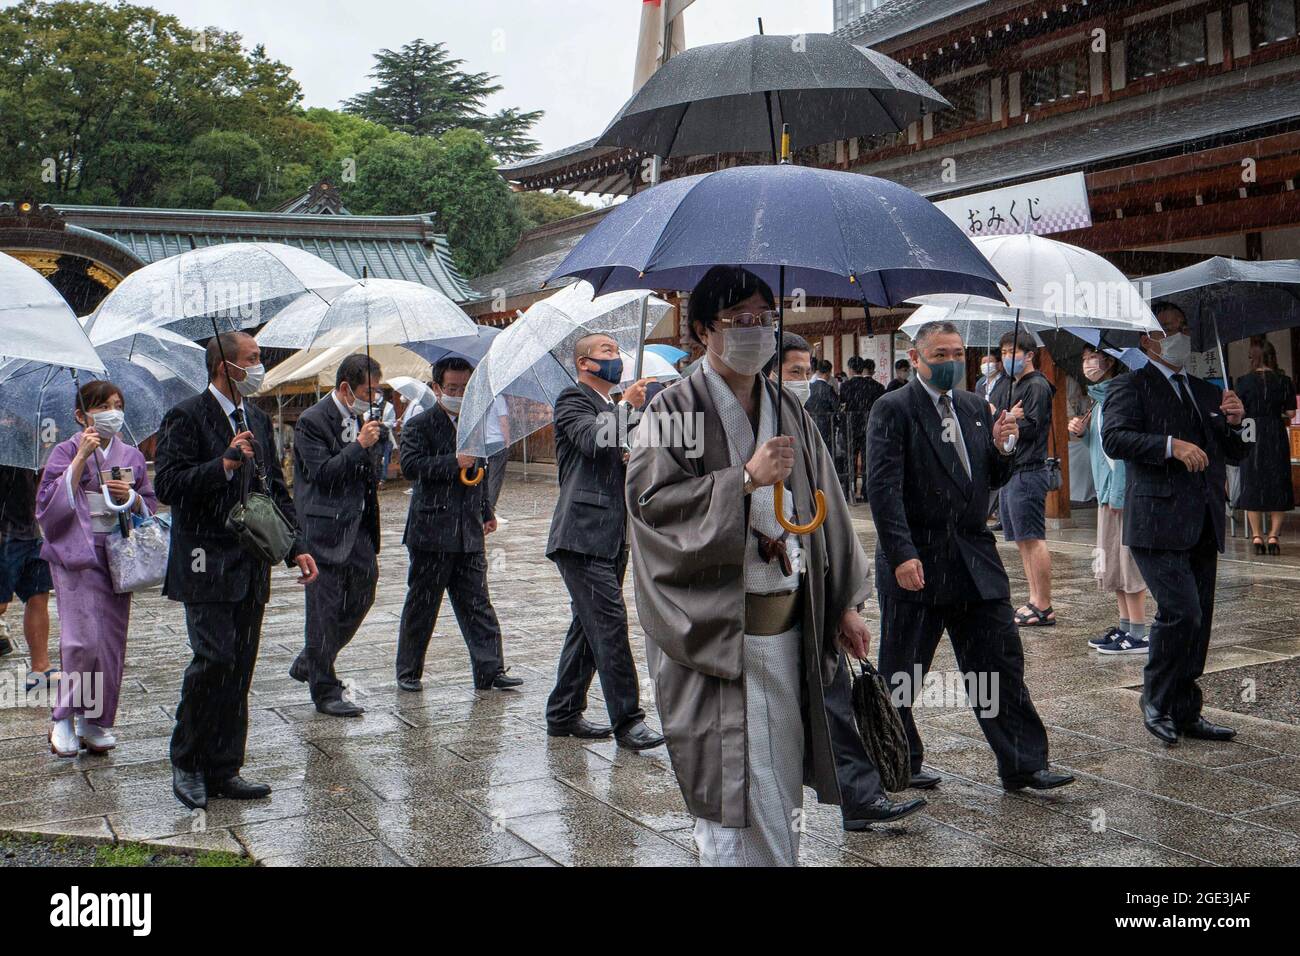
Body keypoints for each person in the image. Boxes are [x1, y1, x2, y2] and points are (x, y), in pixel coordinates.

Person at [627, 266, 922, 868]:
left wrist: (841, 602)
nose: (755, 332)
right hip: (716, 631)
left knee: (778, 775)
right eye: (740, 321)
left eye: (765, 320)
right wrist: (743, 480)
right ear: (705, 328)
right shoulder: (673, 408)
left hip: (788, 631)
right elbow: (650, 505)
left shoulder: (788, 406)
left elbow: (828, 507)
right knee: (730, 782)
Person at [868, 321, 1073, 794]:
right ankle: (897, 760)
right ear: (916, 358)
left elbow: (990, 476)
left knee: (999, 662)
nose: (951, 362)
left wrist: (1003, 445)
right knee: (903, 670)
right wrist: (901, 553)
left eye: (957, 353)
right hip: (917, 558)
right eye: (939, 354)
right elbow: (882, 488)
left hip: (974, 557)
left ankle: (1023, 761)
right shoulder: (893, 408)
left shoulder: (975, 406)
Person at [766, 336, 927, 833]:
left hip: (810, 582)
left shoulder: (803, 424)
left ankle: (860, 796)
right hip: (752, 595)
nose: (802, 378)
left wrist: (848, 604)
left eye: (806, 368)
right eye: (792, 370)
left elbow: (829, 512)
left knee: (832, 688)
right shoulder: (735, 423)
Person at [155, 331, 318, 811]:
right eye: (253, 359)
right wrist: (222, 463)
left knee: (241, 666)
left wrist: (295, 547)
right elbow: (167, 484)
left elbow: (275, 492)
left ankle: (225, 766)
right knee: (214, 659)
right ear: (225, 366)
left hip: (250, 561)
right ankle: (187, 760)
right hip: (203, 561)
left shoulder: (259, 421)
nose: (260, 365)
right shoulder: (186, 415)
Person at [1102, 302, 1247, 746]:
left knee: (1198, 618)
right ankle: (1156, 700)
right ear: (1147, 340)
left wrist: (1238, 425)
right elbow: (1115, 437)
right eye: (1167, 330)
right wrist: (1169, 445)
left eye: (1182, 328)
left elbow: (1234, 454)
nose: (1177, 336)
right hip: (1155, 518)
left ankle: (1186, 708)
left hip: (1203, 517)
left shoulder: (1207, 392)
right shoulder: (1131, 385)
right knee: (1180, 611)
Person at [544, 334, 663, 751]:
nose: (616, 359)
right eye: (606, 353)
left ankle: (562, 712)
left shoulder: (614, 410)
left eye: (617, 352)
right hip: (580, 534)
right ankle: (628, 720)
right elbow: (591, 440)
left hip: (613, 534)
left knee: (587, 625)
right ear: (584, 363)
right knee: (610, 623)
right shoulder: (571, 400)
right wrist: (628, 405)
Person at [35, 381, 157, 756]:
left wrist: (133, 497)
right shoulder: (64, 450)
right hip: (76, 553)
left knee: (108, 643)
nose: (112, 412)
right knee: (81, 639)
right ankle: (63, 717)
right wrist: (78, 461)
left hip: (117, 555)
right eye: (102, 405)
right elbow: (46, 506)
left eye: (117, 404)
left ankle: (94, 719)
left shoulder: (131, 455)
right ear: (80, 415)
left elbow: (149, 505)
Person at [396, 357, 522, 692]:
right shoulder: (419, 425)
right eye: (452, 388)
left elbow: (477, 475)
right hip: (432, 530)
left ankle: (490, 670)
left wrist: (486, 511)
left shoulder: (474, 424)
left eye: (465, 388)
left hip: (468, 530)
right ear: (437, 388)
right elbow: (410, 466)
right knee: (423, 604)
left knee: (477, 604)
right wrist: (454, 461)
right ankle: (409, 670)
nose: (458, 394)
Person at [288, 353, 388, 717]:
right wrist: (358, 445)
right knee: (323, 611)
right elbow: (323, 474)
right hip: (323, 528)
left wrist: (373, 447)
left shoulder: (366, 418)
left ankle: (312, 658)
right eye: (368, 390)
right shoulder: (312, 421)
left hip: (359, 527)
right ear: (346, 388)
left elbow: (369, 471)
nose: (373, 398)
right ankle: (325, 689)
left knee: (363, 595)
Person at [1069, 347, 1150, 655]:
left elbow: (1123, 451)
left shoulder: (1122, 396)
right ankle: (1126, 625)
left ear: (1110, 360)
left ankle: (1139, 631)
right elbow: (1100, 445)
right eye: (1084, 356)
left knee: (1128, 562)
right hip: (1106, 493)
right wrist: (1081, 431)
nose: (1088, 362)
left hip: (1121, 493)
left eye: (1093, 355)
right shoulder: (1099, 401)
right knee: (1112, 562)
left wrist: (1118, 492)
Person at [999, 330, 1057, 627]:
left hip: (1029, 469)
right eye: (1004, 351)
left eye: (1013, 351)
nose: (1007, 357)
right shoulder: (1011, 385)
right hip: (1012, 471)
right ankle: (1034, 598)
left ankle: (1043, 604)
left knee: (1033, 538)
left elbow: (1035, 427)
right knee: (1022, 540)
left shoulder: (1037, 385)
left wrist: (1015, 420)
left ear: (1029, 354)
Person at [1236, 339, 1295, 555]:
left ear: (1253, 357)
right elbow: (1290, 413)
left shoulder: (1243, 382)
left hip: (1250, 431)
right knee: (1277, 481)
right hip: (1275, 433)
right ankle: (1273, 536)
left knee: (1252, 480)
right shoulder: (1284, 381)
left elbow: (1239, 412)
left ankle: (1257, 536)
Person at [0, 465, 53, 691]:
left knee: (38, 595)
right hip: (3, 535)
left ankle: (40, 668)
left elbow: (41, 484)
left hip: (30, 533)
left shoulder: (31, 444)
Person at [840, 356, 885, 501]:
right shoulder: (877, 387)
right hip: (870, 427)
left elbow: (841, 405)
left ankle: (848, 491)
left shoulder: (846, 386)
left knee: (849, 459)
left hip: (850, 427)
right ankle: (866, 492)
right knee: (868, 460)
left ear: (851, 369)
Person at [483, 393, 512, 514]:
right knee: (495, 478)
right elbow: (503, 421)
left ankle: (484, 507)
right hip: (498, 442)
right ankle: (490, 511)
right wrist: (508, 440)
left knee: (486, 477)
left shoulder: (483, 398)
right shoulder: (498, 398)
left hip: (485, 443)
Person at [806, 358, 837, 448]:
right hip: (826, 425)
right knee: (827, 449)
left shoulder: (810, 387)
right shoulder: (828, 389)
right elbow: (836, 406)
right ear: (828, 373)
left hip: (811, 423)